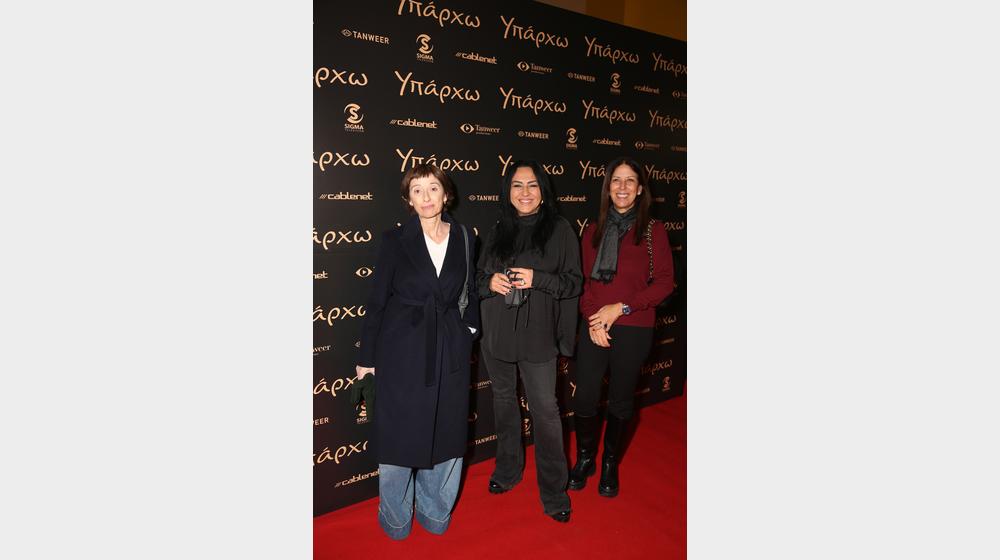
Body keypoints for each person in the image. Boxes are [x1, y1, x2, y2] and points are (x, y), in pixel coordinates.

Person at [355, 163, 480, 539]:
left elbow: (471, 290)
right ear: (408, 199)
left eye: (433, 188)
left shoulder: (464, 236)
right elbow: (377, 301)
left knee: (448, 434)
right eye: (417, 190)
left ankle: (434, 512)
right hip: (401, 351)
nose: (426, 197)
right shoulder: (394, 240)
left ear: (446, 194)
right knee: (398, 437)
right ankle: (395, 518)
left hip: (449, 348)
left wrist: (468, 330)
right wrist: (366, 359)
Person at [475, 160, 582, 523]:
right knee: (504, 402)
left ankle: (554, 491)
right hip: (497, 334)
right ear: (508, 191)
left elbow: (573, 283)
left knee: (546, 412)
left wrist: (538, 278)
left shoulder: (560, 230)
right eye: (517, 185)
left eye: (532, 185)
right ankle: (508, 470)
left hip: (538, 336)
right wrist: (490, 282)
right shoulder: (497, 229)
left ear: (543, 191)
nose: (524, 192)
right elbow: (477, 279)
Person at [569, 156, 674, 498]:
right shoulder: (593, 231)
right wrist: (594, 319)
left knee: (621, 400)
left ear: (640, 189)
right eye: (617, 180)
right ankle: (586, 457)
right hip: (595, 325)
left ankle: (610, 462)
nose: (623, 187)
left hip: (634, 326)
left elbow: (664, 283)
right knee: (585, 397)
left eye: (630, 180)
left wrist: (621, 307)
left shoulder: (653, 231)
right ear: (608, 187)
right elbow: (583, 283)